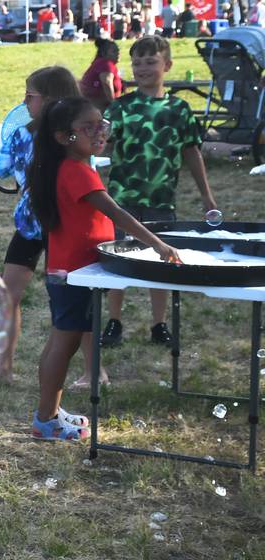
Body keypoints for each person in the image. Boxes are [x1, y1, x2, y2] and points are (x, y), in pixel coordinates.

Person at [27, 96, 180, 441]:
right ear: (64, 136)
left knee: (58, 343)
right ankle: (45, 420)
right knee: (63, 347)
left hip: (69, 271)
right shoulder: (77, 172)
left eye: (102, 124)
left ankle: (49, 411)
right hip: (75, 275)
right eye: (89, 127)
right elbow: (117, 213)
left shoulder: (67, 168)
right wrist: (157, 243)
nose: (100, 132)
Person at [0, 66, 102, 385]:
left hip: (65, 228)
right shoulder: (22, 134)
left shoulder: (68, 139)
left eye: (30, 96)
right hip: (30, 224)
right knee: (9, 293)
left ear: (52, 101)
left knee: (80, 299)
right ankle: (1, 367)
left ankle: (93, 372)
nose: (23, 101)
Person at [100, 35, 218, 348]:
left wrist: (206, 195)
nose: (142, 68)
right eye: (136, 62)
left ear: (167, 65)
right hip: (121, 201)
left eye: (150, 61)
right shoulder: (122, 107)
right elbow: (101, 142)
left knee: (162, 260)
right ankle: (114, 321)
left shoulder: (180, 109)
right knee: (118, 260)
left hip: (161, 201)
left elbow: (192, 152)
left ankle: (158, 324)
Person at [79, 38, 123, 110]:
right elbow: (106, 83)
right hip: (98, 108)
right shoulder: (106, 64)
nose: (118, 53)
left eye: (118, 50)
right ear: (104, 53)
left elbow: (118, 82)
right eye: (114, 51)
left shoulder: (102, 63)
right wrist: (114, 105)